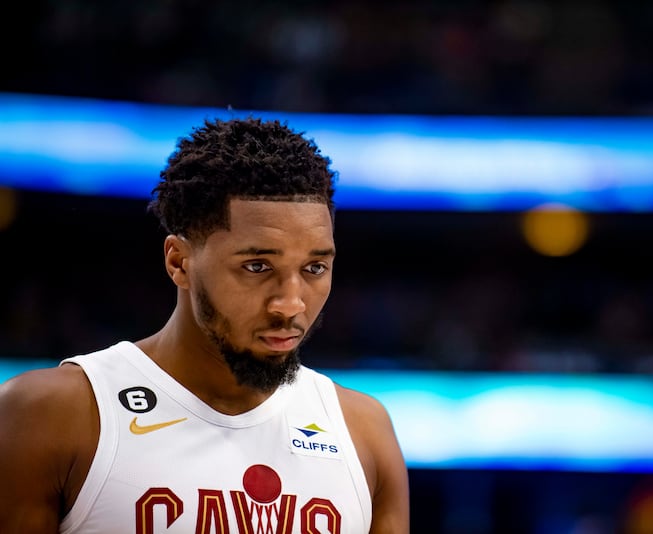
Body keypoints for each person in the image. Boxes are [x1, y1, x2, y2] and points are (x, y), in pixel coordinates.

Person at [0, 117, 410, 533]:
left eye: (314, 267)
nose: (290, 304)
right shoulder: (52, 414)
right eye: (257, 266)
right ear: (179, 261)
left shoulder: (365, 432)